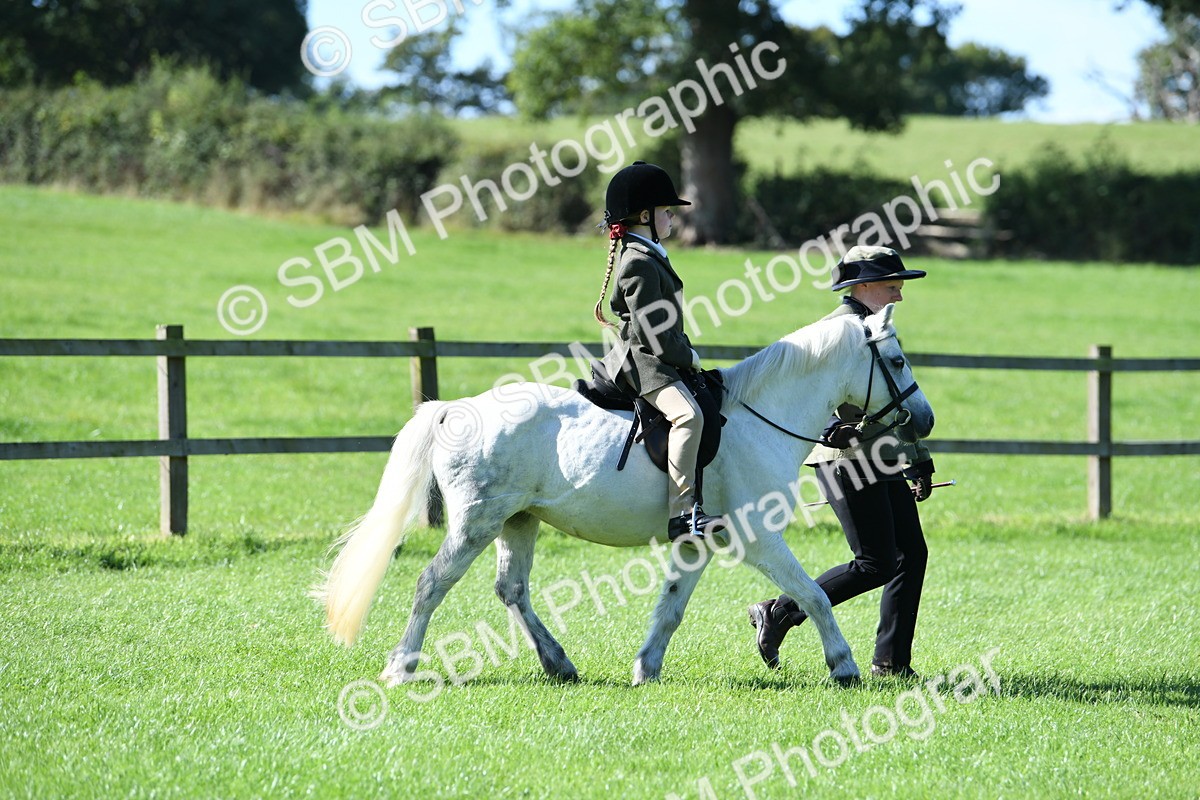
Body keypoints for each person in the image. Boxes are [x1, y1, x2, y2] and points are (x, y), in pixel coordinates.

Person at [747, 245, 936, 678]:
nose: (900, 297)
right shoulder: (832, 332)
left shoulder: (879, 327)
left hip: (882, 454)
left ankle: (891, 664)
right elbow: (800, 391)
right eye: (893, 287)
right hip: (842, 458)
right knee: (875, 562)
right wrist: (831, 423)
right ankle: (780, 612)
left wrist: (916, 458)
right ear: (863, 286)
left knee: (912, 553)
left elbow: (896, 400)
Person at [595, 161, 725, 541]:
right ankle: (682, 515)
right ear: (646, 216)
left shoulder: (648, 255)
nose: (672, 217)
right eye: (667, 212)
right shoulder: (639, 263)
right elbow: (655, 335)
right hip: (647, 365)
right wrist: (690, 357)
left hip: (658, 357)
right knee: (688, 417)